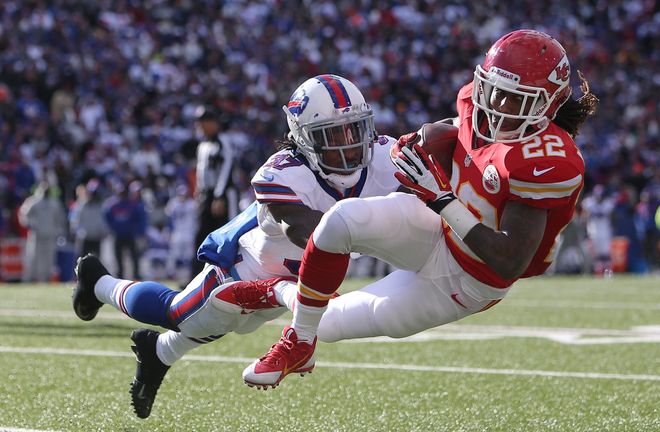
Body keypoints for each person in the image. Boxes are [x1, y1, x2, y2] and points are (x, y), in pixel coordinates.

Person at [242, 29, 599, 389]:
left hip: (469, 279)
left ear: (548, 105)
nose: (498, 107)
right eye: (495, 91)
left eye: (516, 100)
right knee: (341, 220)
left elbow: (507, 260)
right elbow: (457, 132)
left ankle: (281, 293)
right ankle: (298, 342)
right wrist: (421, 143)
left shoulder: (547, 160)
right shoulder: (475, 105)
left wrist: (443, 199)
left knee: (330, 324)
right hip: (435, 225)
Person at [71, 74, 402, 418]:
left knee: (216, 327)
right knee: (179, 314)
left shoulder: (384, 155)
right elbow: (318, 236)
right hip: (243, 270)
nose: (348, 145)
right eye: (333, 136)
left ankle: (158, 353)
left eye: (354, 130)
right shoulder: (283, 174)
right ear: (304, 138)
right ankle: (98, 282)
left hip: (296, 281)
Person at [190, 105, 239, 276]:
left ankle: (231, 273)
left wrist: (219, 195)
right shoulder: (202, 144)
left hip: (223, 194)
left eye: (205, 122)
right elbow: (200, 170)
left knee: (228, 233)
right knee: (201, 235)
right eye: (200, 122)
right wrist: (199, 191)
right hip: (206, 194)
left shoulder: (222, 141)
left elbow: (227, 169)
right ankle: (197, 276)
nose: (202, 126)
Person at [19, 181, 67, 282]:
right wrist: (30, 225)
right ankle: (30, 279)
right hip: (36, 235)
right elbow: (23, 214)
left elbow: (60, 219)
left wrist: (58, 231)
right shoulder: (33, 202)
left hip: (50, 235)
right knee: (33, 258)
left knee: (49, 259)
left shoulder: (54, 203)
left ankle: (46, 279)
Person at [103, 181, 148, 279]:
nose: (122, 195)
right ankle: (120, 277)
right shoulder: (112, 204)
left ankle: (136, 276)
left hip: (130, 235)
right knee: (118, 259)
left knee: (134, 257)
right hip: (118, 235)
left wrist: (138, 231)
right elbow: (106, 218)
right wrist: (111, 228)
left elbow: (140, 218)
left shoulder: (132, 204)